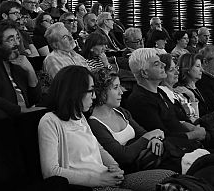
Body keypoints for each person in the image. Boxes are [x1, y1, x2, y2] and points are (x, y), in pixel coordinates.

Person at [38, 65, 173, 190]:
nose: (94, 96)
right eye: (90, 91)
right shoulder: (50, 121)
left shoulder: (80, 116)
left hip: (107, 178)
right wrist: (100, 180)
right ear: (75, 92)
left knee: (170, 178)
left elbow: (99, 149)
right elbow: (51, 171)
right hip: (90, 186)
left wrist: (114, 167)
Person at [88, 68, 173, 173]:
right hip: (130, 171)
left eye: (120, 86)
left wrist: (155, 139)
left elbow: (142, 133)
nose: (121, 92)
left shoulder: (121, 111)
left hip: (147, 162)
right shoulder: (94, 123)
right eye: (115, 87)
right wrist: (149, 137)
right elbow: (124, 156)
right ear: (101, 92)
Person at [125, 48, 207, 143]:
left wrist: (193, 128)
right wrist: (194, 135)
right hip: (178, 150)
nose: (163, 65)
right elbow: (162, 136)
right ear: (144, 73)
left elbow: (178, 119)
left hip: (188, 141)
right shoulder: (139, 101)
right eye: (156, 64)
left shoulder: (160, 91)